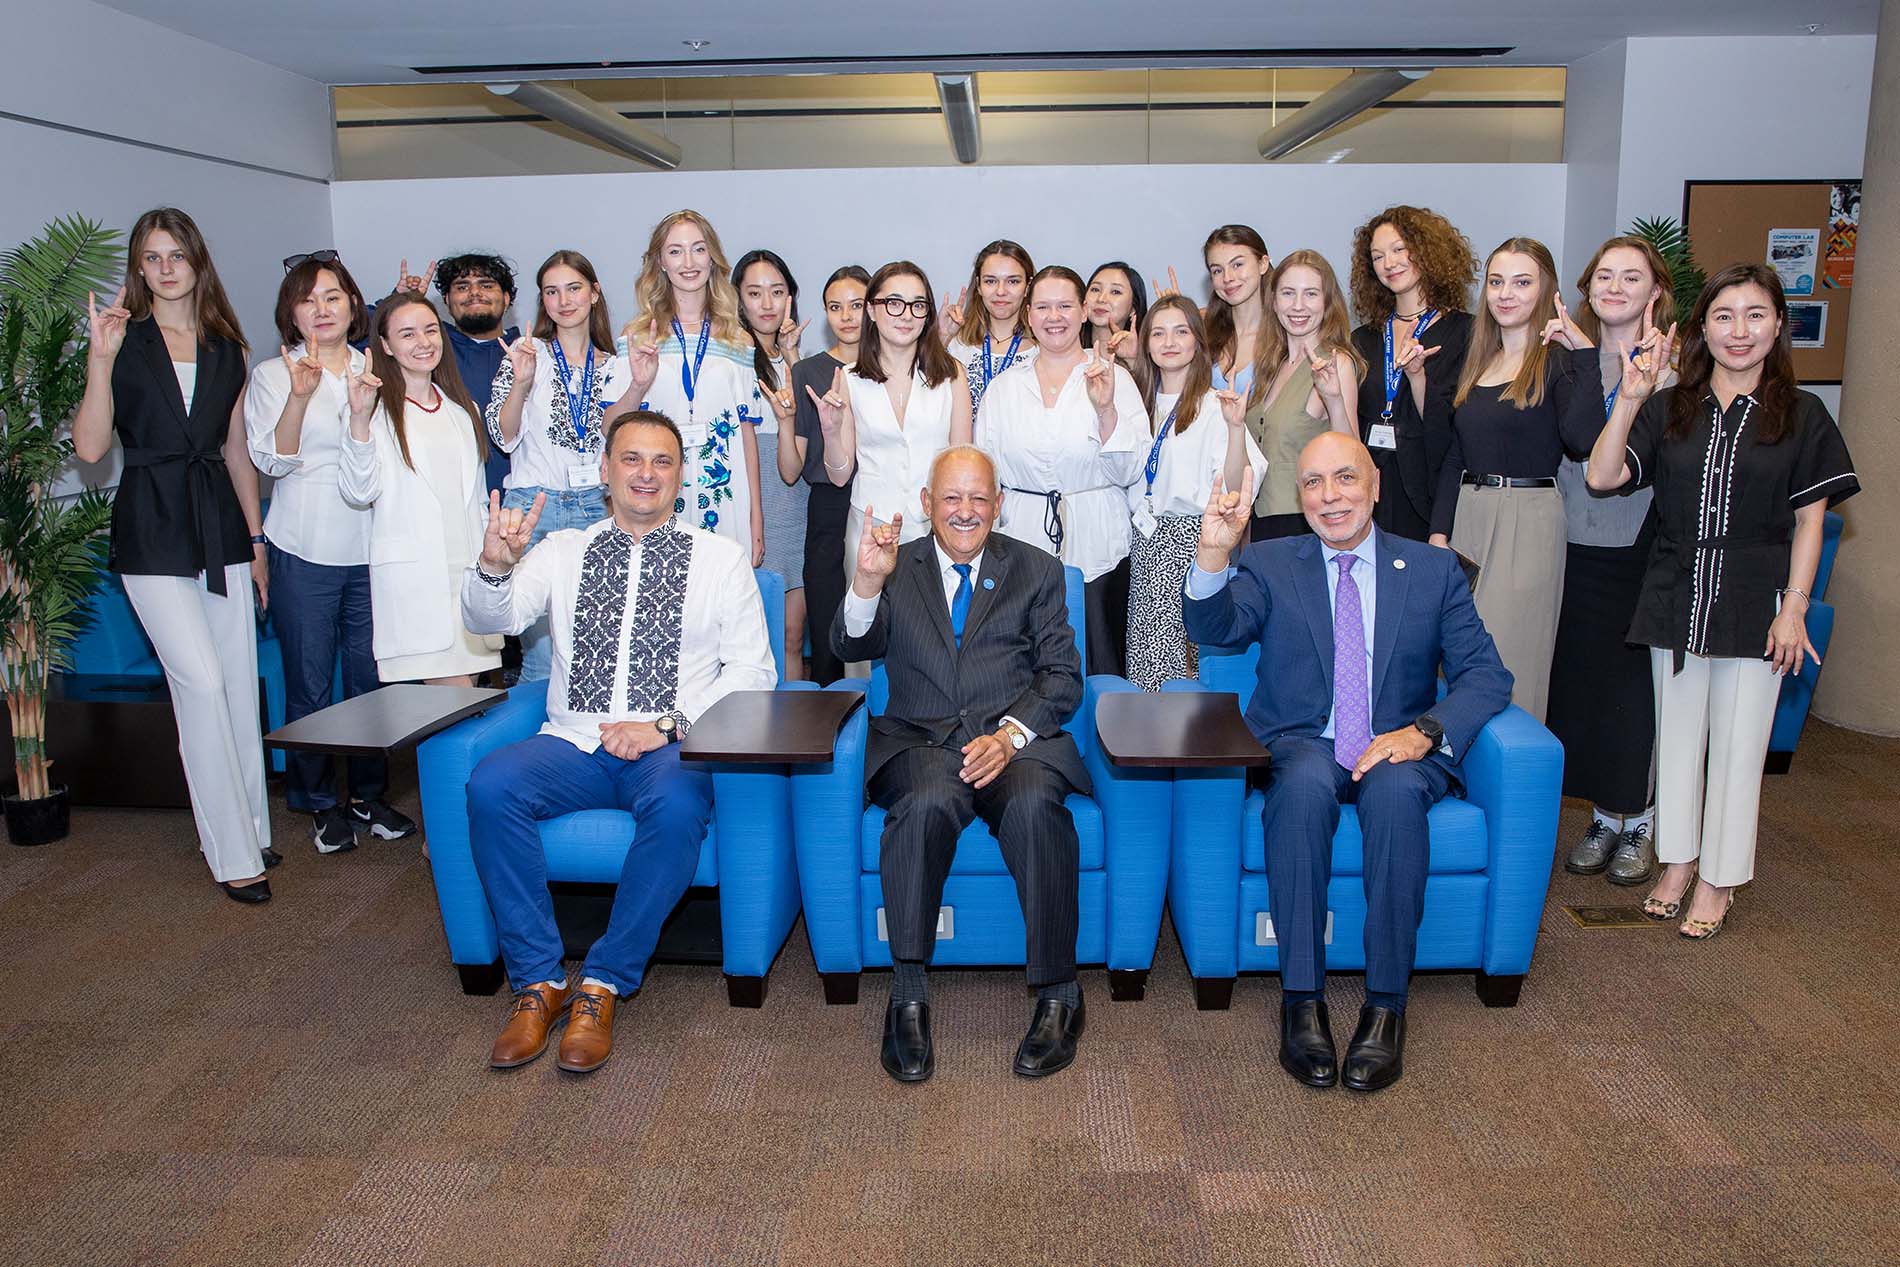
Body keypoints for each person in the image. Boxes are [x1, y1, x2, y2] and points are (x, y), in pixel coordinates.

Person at [1183, 432, 1512, 1093]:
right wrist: (1214, 553)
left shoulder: (1430, 570)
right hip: (1304, 739)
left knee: (1393, 797)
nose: (1329, 496)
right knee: (1301, 788)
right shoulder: (1273, 563)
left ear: (1375, 486)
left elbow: (1487, 675)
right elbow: (1214, 629)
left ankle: (1386, 1006)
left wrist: (1426, 731)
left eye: (1345, 479)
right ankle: (1301, 1001)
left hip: (1398, 741)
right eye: (1312, 483)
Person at [463, 410, 777, 1074]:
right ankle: (540, 981)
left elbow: (755, 672)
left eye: (662, 461)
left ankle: (602, 982)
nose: (646, 474)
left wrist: (668, 723)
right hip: (573, 743)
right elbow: (494, 617)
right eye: (631, 459)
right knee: (491, 783)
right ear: (606, 472)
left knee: (679, 803)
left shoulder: (719, 560)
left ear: (680, 477)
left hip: (668, 747)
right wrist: (493, 566)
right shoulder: (562, 551)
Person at [1586, 263, 1859, 941]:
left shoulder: (1803, 414)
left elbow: (1810, 520)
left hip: (1754, 594)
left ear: (1777, 325)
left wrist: (1794, 605)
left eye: (1755, 315)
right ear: (1701, 327)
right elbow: (1601, 476)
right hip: (1674, 590)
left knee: (1739, 747)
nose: (1739, 331)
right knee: (1677, 739)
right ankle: (1677, 863)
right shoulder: (1671, 405)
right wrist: (1629, 396)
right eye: (1724, 316)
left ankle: (1720, 877)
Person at [833, 445, 1091, 1084]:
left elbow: (1063, 677)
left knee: (1036, 804)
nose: (966, 511)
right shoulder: (897, 565)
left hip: (1015, 743)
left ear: (999, 505)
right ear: (927, 504)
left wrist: (1009, 736)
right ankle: (908, 994)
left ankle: (1060, 993)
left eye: (980, 498)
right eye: (952, 497)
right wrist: (865, 584)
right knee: (922, 803)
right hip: (920, 742)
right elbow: (849, 644)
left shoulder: (1037, 570)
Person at [74, 208, 273, 903]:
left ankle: (252, 824)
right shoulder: (121, 341)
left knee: (238, 681)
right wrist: (99, 361)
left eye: (175, 254)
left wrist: (255, 542)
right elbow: (93, 449)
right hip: (152, 525)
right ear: (139, 267)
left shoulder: (228, 346)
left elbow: (237, 453)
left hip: (219, 521)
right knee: (201, 684)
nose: (164, 268)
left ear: (197, 261)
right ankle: (229, 852)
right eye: (150, 257)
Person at [245, 252, 416, 854]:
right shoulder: (273, 374)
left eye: (333, 297)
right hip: (303, 545)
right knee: (310, 681)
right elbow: (272, 461)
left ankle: (370, 794)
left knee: (373, 679)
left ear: (353, 307)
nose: (321, 309)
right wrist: (299, 396)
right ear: (290, 312)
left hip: (374, 547)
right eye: (307, 299)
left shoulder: (378, 366)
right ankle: (318, 801)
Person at [1427, 237, 1606, 722]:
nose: (1507, 293)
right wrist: (1438, 534)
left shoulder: (1559, 362)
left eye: (1522, 282)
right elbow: (1453, 457)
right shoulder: (1477, 360)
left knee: (1510, 660)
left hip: (1528, 520)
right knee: (1458, 658)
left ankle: (1515, 782)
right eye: (1497, 281)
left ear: (1546, 290)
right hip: (1470, 517)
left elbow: (1583, 441)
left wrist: (1585, 355)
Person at [1550, 237, 1676, 884]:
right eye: (1604, 275)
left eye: (1632, 277)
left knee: (1633, 694)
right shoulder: (1573, 360)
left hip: (1639, 549)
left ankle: (1641, 821)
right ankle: (1604, 815)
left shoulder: (1675, 371)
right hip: (1570, 542)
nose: (1616, 287)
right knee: (1584, 688)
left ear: (1656, 289)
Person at [976, 265, 1147, 678]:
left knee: (1099, 662)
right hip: (1021, 541)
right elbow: (985, 473)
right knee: (1025, 665)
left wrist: (1105, 409)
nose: (1055, 317)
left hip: (1098, 543)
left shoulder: (1115, 378)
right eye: (1044, 307)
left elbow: (1131, 469)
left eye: (1065, 306)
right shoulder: (1004, 389)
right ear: (1029, 315)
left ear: (1084, 311)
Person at [484, 250, 635, 684]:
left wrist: (639, 383)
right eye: (552, 292)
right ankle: (533, 747)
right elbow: (504, 434)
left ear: (594, 293)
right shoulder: (526, 353)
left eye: (573, 288)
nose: (564, 300)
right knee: (540, 651)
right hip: (535, 507)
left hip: (596, 506)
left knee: (596, 638)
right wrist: (523, 383)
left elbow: (617, 434)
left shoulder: (616, 364)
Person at [338, 291, 501, 685]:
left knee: (465, 712)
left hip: (465, 577)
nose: (423, 342)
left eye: (431, 330)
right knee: (452, 704)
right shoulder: (371, 410)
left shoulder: (463, 410)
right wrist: (359, 421)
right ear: (386, 346)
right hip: (416, 583)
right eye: (407, 334)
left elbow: (476, 500)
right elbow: (359, 492)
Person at [1124, 295, 1265, 690]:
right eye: (1159, 332)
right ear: (1146, 343)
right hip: (1146, 544)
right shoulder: (1136, 404)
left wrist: (1236, 429)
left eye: (1181, 331)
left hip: (1194, 543)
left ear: (1197, 342)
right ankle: (1146, 747)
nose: (1169, 341)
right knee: (1145, 658)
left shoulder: (1213, 405)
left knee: (1187, 659)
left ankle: (1186, 747)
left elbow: (1237, 488)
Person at [804, 261, 971, 578]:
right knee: (867, 622)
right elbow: (839, 476)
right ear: (871, 310)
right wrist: (831, 430)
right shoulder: (850, 379)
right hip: (871, 528)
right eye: (894, 303)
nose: (906, 315)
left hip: (936, 528)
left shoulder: (951, 374)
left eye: (917, 305)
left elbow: (963, 463)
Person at [622, 209, 764, 566]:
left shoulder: (739, 341)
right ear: (660, 262)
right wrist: (638, 386)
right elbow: (613, 427)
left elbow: (747, 435)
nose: (688, 262)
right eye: (675, 251)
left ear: (712, 258)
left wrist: (756, 516)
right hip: (655, 491)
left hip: (726, 497)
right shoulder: (636, 337)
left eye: (698, 249)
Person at [1348, 206, 1479, 541]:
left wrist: (1418, 379)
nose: (1389, 263)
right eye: (1377, 257)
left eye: (1398, 250)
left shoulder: (1466, 332)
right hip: (1374, 482)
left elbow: (1455, 425)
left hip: (1431, 482)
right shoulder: (1364, 338)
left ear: (1426, 251)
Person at [787, 265, 869, 685]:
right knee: (825, 614)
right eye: (836, 307)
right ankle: (827, 727)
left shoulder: (888, 367)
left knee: (875, 619)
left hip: (874, 499)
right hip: (827, 505)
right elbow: (795, 461)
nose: (848, 316)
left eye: (857, 305)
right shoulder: (807, 371)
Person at [1245, 249, 1362, 541]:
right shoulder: (1272, 364)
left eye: (1310, 294)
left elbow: (1353, 455)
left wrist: (1334, 400)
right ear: (1273, 301)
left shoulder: (1337, 362)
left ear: (1327, 302)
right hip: (1261, 520)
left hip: (1305, 522)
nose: (1298, 305)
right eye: (1288, 293)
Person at [385, 253, 521, 496]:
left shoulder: (529, 351)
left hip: (523, 499)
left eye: (486, 285)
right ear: (446, 300)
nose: (474, 292)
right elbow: (362, 337)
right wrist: (400, 300)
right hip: (451, 498)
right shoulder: (429, 350)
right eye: (462, 286)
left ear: (507, 298)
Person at [734, 249, 811, 678]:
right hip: (747, 500)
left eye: (777, 292)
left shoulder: (796, 360)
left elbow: (805, 429)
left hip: (793, 503)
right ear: (738, 300)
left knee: (792, 634)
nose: (767, 304)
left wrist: (792, 354)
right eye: (755, 293)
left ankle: (790, 737)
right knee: (747, 637)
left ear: (791, 298)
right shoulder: (729, 359)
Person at [943, 239, 1038, 419]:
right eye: (991, 281)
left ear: (1028, 287)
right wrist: (942, 337)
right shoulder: (956, 346)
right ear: (978, 285)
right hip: (962, 447)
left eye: (1013, 281)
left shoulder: (1042, 351)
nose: (1000, 291)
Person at [1202, 225, 1273, 397]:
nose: (1227, 278)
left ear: (1263, 264)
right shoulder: (1203, 330)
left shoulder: (1285, 333)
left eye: (1237, 264)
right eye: (1217, 270)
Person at [1083, 261, 1148, 370]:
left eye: (1115, 292)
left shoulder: (1152, 360)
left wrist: (1132, 361)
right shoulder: (1066, 353)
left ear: (1133, 308)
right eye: (1095, 289)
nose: (1101, 299)